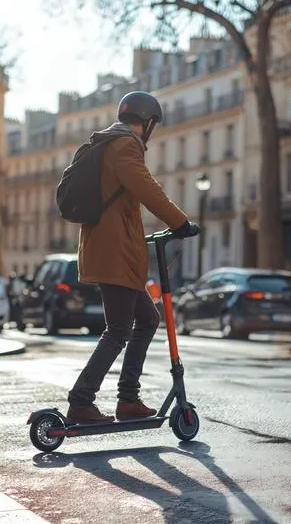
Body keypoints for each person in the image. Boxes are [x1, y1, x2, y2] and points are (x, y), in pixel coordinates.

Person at [66, 91, 198, 425]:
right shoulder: (124, 146)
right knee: (118, 330)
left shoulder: (110, 142)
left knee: (148, 320)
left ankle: (128, 398)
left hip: (116, 253)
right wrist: (180, 222)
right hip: (115, 254)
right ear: (148, 122)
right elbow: (147, 189)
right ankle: (81, 401)